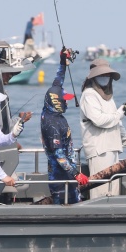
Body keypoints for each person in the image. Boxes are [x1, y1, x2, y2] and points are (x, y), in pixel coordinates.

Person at [79, 58, 126, 198]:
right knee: (100, 191)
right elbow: (99, 120)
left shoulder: (108, 97)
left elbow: (116, 122)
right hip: (99, 150)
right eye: (101, 75)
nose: (105, 78)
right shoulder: (89, 95)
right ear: (94, 78)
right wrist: (120, 113)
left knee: (113, 190)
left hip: (112, 148)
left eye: (107, 76)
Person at [40, 48, 87, 204]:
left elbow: (58, 79)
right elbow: (59, 156)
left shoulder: (49, 107)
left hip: (67, 174)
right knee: (67, 203)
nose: (67, 101)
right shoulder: (52, 124)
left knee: (76, 201)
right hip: (60, 176)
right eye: (64, 99)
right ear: (57, 101)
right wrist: (76, 174)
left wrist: (62, 61)